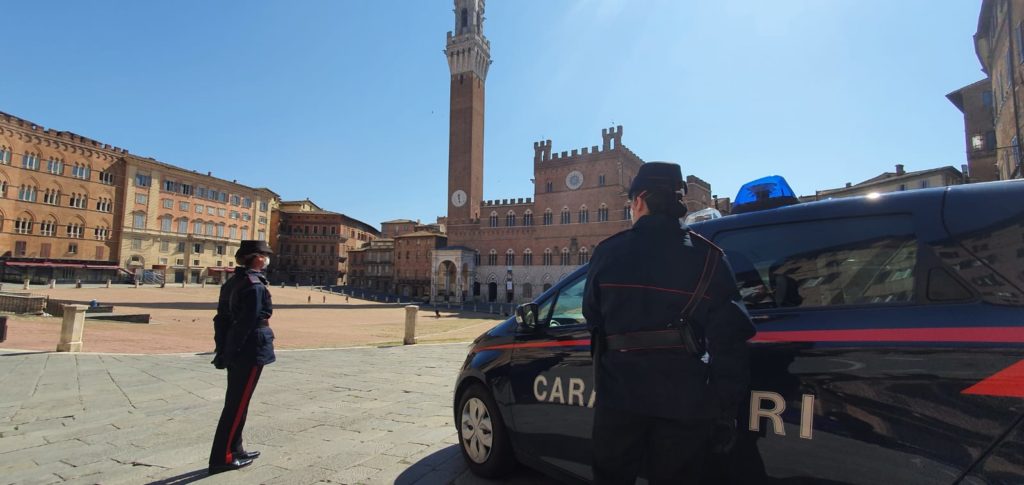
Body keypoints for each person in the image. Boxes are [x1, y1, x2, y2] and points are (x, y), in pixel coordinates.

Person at [582, 162, 755, 484]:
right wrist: (723, 409)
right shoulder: (711, 258)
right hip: (686, 403)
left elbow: (593, 317)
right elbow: (730, 341)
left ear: (639, 200)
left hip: (619, 400)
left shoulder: (608, 253)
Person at [209, 240, 276, 475]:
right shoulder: (254, 285)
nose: (267, 259)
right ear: (256, 257)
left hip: (237, 348)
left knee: (239, 403)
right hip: (249, 349)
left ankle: (236, 449)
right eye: (265, 255)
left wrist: (223, 349)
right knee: (236, 405)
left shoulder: (233, 282)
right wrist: (232, 351)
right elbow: (247, 323)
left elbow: (221, 319)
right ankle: (222, 457)